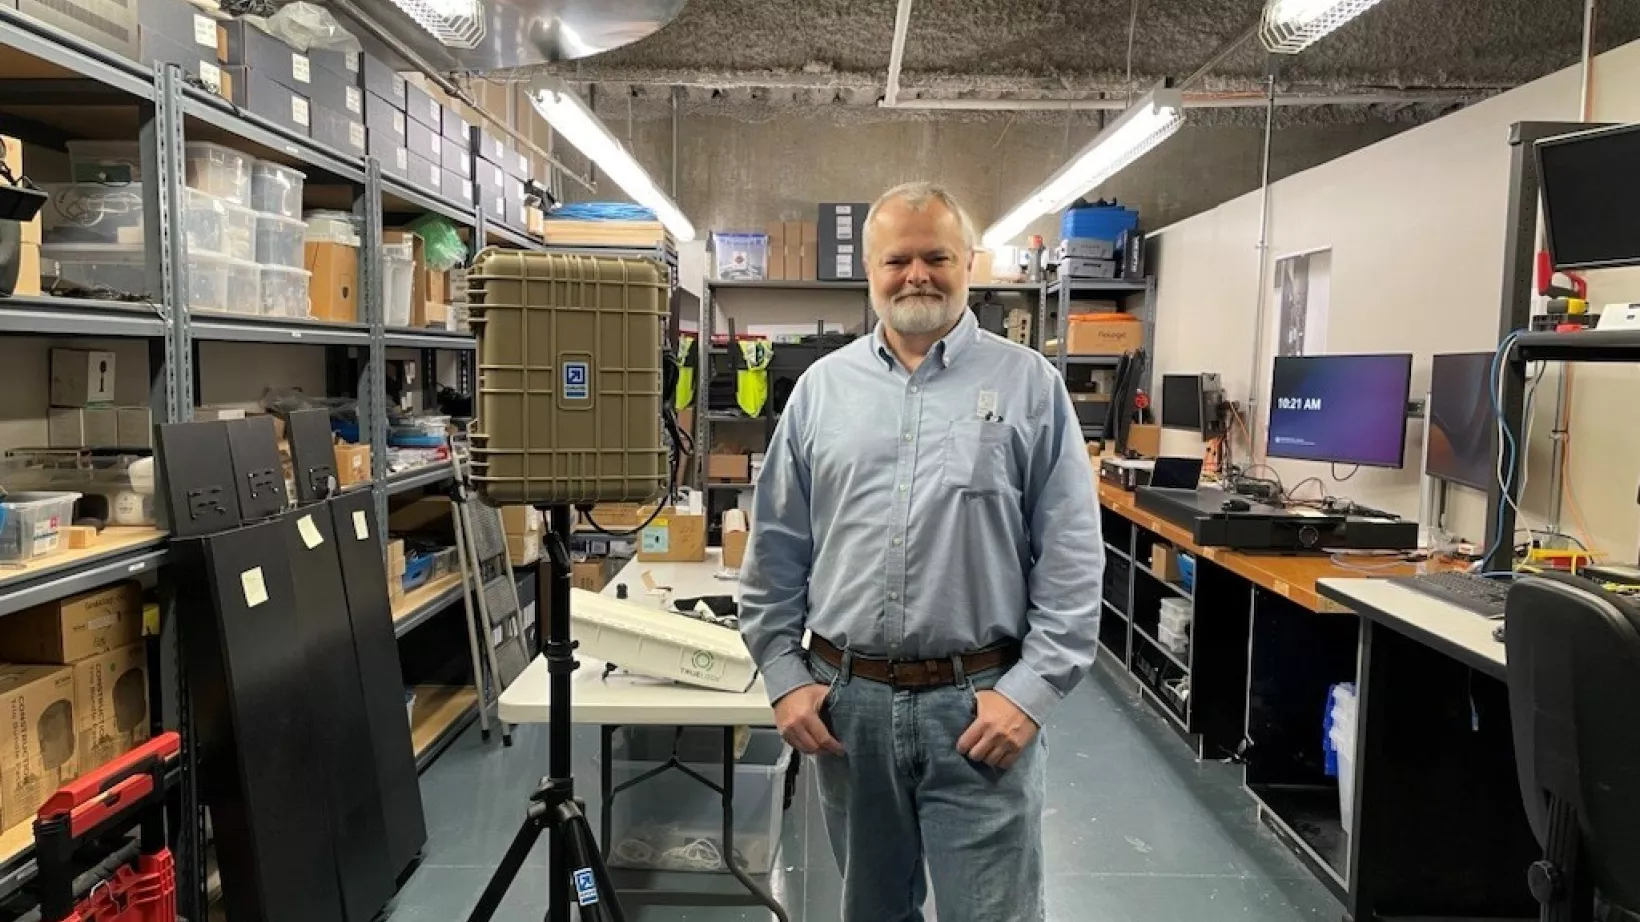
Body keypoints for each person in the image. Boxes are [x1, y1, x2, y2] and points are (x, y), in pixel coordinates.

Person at [738, 182, 1104, 922]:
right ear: (869, 270)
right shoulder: (820, 392)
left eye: (935, 256)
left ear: (967, 261)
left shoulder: (1030, 387)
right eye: (896, 260)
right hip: (849, 712)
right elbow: (775, 546)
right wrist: (783, 673)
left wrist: (1029, 697)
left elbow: (1070, 556)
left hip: (980, 713)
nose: (917, 275)